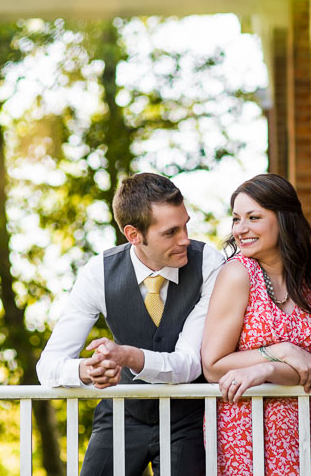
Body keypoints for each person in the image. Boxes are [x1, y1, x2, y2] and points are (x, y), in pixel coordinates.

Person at [37, 173, 224, 476]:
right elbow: (48, 366)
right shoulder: (98, 273)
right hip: (121, 414)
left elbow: (189, 363)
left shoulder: (209, 264)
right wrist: (86, 370)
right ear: (133, 234)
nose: (185, 239)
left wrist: (127, 356)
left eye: (186, 224)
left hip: (187, 419)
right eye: (171, 232)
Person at [201, 173, 311, 476]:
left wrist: (263, 369)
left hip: (308, 431)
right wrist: (281, 351)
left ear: (284, 219)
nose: (241, 229)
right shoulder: (237, 275)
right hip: (245, 434)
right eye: (236, 219)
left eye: (253, 217)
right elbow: (213, 365)